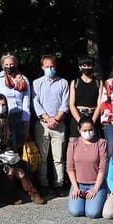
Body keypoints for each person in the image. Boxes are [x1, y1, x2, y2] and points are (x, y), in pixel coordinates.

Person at [0, 95, 45, 205]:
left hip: (6, 153)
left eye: (3, 104)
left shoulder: (8, 120)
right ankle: (10, 196)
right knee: (9, 170)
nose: (1, 107)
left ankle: (33, 194)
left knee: (21, 169)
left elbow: (11, 141)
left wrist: (9, 152)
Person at [32, 54, 70, 194]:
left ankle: (59, 183)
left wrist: (56, 119)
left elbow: (65, 104)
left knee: (58, 157)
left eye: (52, 66)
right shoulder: (36, 83)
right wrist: (47, 118)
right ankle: (43, 184)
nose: (50, 69)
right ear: (42, 67)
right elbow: (35, 102)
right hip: (42, 124)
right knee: (42, 157)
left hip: (59, 124)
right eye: (47, 67)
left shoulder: (63, 83)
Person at [65, 118, 108, 219]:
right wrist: (75, 187)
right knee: (75, 211)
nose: (88, 133)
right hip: (79, 184)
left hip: (95, 184)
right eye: (84, 130)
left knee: (92, 213)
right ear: (79, 129)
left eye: (90, 130)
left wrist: (95, 189)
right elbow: (70, 168)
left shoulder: (101, 143)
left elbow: (102, 169)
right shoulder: (73, 143)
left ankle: (103, 195)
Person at [0, 54, 32, 149]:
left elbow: (26, 103)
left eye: (11, 64)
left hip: (19, 119)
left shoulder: (24, 80)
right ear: (2, 66)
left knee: (18, 150)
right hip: (3, 119)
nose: (9, 67)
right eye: (6, 64)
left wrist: (26, 124)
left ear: (16, 65)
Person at [67, 56, 101, 138]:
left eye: (89, 65)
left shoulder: (98, 83)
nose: (87, 68)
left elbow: (100, 104)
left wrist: (92, 121)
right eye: (84, 66)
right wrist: (80, 121)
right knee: (76, 143)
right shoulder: (75, 82)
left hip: (93, 116)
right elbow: (71, 105)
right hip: (78, 116)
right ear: (80, 67)